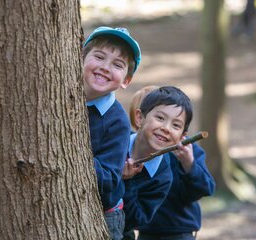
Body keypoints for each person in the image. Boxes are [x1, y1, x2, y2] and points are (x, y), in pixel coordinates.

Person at [125, 86, 216, 240]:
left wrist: (189, 163)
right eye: (159, 118)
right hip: (147, 231)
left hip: (179, 230)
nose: (164, 128)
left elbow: (205, 188)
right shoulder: (129, 147)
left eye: (174, 123)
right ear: (139, 119)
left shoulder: (186, 150)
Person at [82, 26, 141, 240]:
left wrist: (74, 155)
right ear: (80, 59)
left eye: (117, 65)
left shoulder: (117, 121)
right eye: (99, 57)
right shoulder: (57, 95)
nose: (106, 67)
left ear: (126, 80)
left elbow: (109, 181)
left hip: (105, 214)